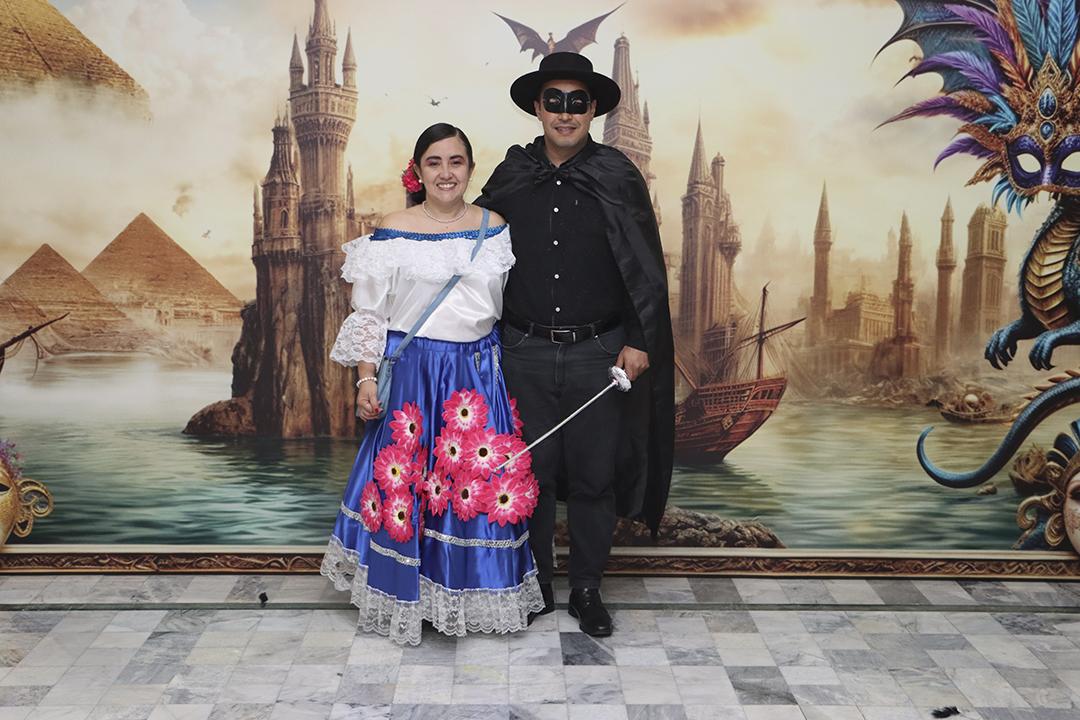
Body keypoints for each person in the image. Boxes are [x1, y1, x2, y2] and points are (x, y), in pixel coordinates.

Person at [321, 123, 544, 645]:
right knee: (409, 485)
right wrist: (366, 377)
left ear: (471, 168)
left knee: (472, 486)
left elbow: (508, 303)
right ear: (417, 171)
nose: (446, 173)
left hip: (476, 375)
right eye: (434, 162)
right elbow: (370, 313)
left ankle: (468, 594)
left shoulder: (495, 228)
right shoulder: (393, 229)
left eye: (456, 161)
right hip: (415, 374)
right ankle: (407, 596)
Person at [476, 52, 675, 637]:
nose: (565, 113)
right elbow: (469, 245)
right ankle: (536, 584)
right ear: (538, 108)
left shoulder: (617, 174)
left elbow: (645, 265)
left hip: (599, 353)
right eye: (555, 102)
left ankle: (586, 588)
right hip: (524, 351)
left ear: (592, 111)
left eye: (577, 103)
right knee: (530, 475)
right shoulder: (512, 175)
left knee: (593, 476)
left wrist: (638, 339)